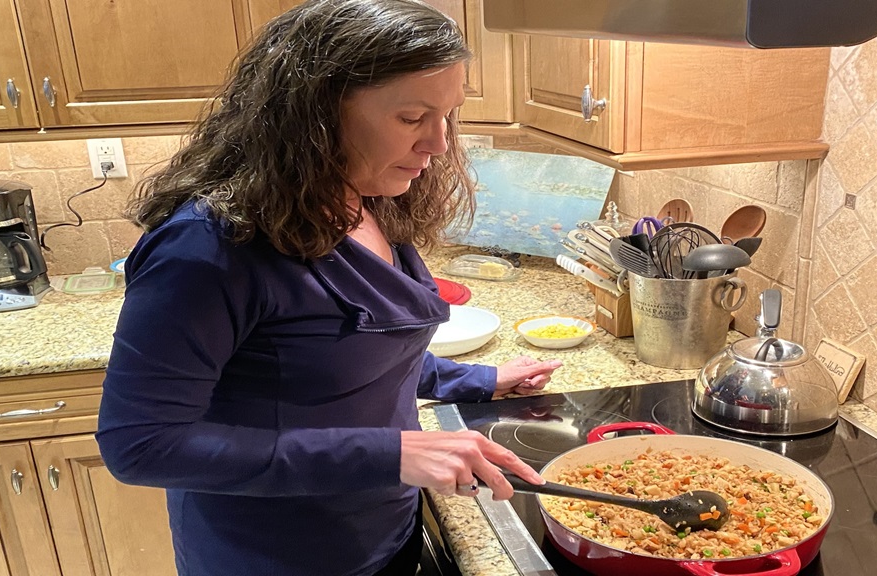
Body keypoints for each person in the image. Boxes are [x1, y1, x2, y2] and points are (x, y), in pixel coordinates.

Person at [95, 1, 562, 575]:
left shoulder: (365, 200)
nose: (439, 144)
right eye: (412, 117)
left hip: (382, 534)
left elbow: (345, 357)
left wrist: (476, 380)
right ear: (315, 115)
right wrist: (391, 453)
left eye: (448, 115)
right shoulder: (207, 250)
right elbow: (141, 446)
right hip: (275, 558)